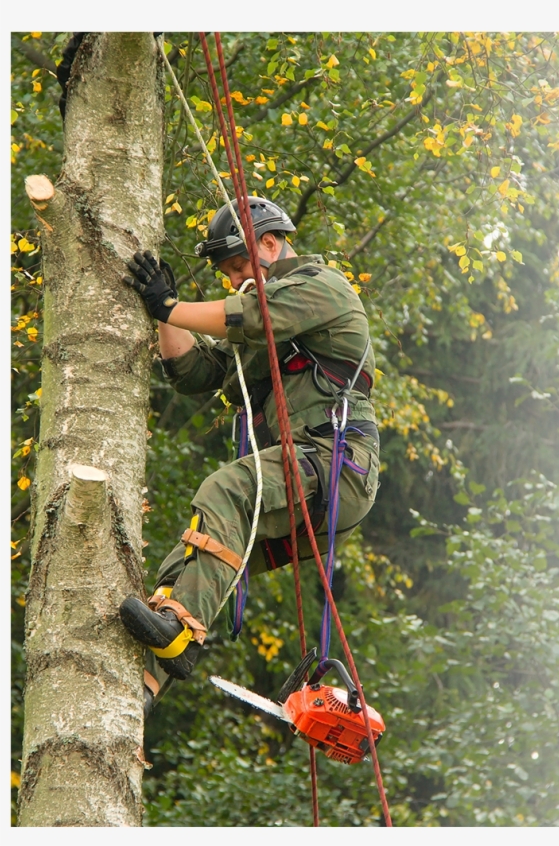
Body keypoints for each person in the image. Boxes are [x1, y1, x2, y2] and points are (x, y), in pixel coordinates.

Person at [119, 197, 379, 715]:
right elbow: (194, 373)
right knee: (192, 556)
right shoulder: (256, 330)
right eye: (226, 271)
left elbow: (254, 313)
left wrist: (171, 309)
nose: (234, 278)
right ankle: (141, 690)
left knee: (227, 490)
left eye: (240, 264)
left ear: (269, 242)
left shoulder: (321, 288)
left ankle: (181, 636)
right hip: (307, 476)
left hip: (335, 462)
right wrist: (160, 306)